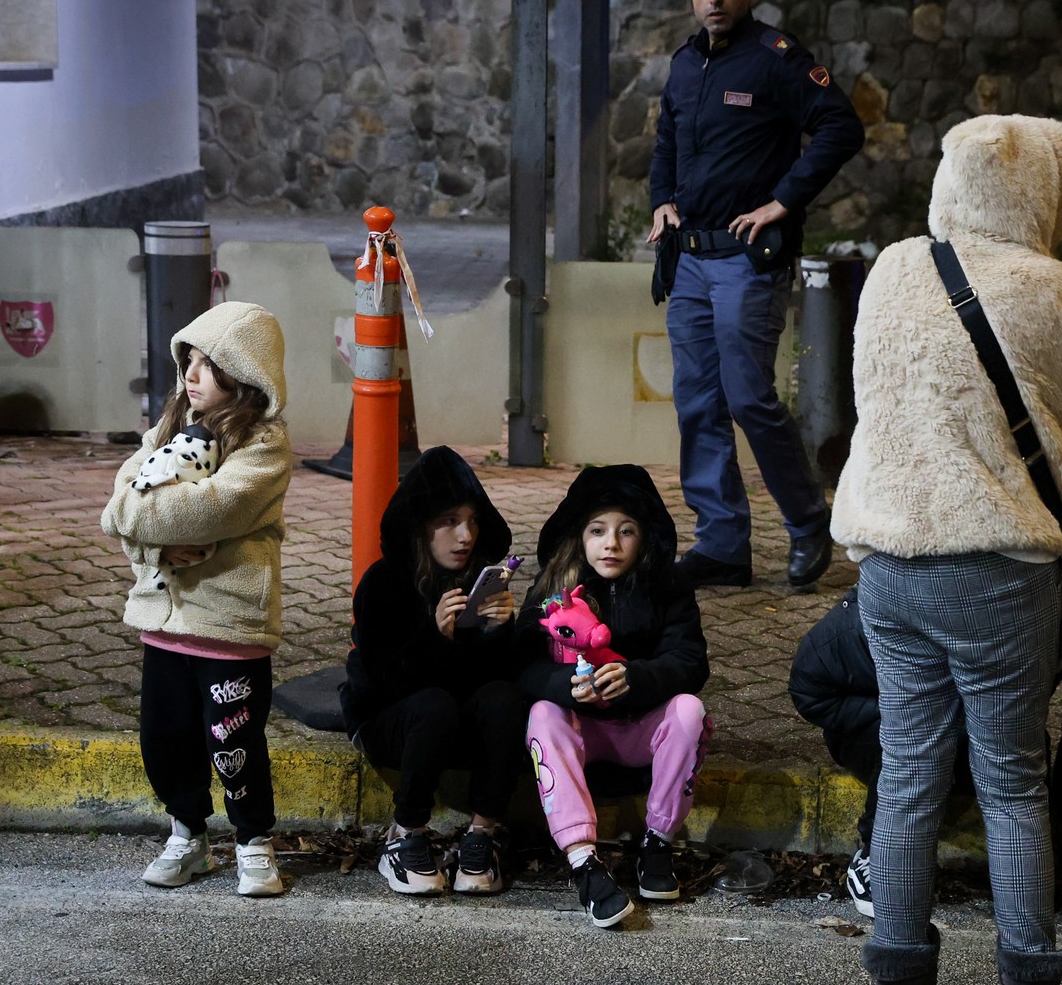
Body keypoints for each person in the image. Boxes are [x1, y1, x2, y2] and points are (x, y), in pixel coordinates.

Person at [831, 114, 1062, 985]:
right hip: (994, 568)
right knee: (1008, 782)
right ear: (1042, 195)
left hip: (889, 563)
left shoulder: (890, 270)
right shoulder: (1041, 287)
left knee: (909, 776)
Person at [646, 0, 865, 590]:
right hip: (689, 259)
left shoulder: (776, 59)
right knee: (697, 402)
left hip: (747, 261)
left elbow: (840, 126)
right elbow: (665, 143)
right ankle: (721, 543)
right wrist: (661, 202)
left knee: (748, 397)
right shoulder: (685, 65)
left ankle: (807, 523)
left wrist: (783, 200)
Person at [101, 301, 293, 898]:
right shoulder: (168, 430)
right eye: (190, 360)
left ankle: (253, 840)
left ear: (246, 375)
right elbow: (121, 505)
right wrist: (154, 549)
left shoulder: (263, 446)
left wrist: (132, 517)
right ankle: (188, 834)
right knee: (165, 738)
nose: (191, 374)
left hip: (229, 628)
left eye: (210, 365)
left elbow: (210, 507)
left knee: (233, 740)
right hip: (164, 623)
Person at [516, 465, 712, 928]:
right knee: (543, 713)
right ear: (579, 537)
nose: (612, 543)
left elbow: (690, 661)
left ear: (644, 538)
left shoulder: (668, 584)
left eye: (627, 532)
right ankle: (584, 862)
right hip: (583, 732)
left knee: (690, 711)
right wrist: (563, 686)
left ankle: (658, 843)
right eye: (598, 531)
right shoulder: (552, 589)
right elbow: (519, 662)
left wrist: (637, 677)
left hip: (640, 729)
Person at [340, 446, 530, 897]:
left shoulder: (479, 577)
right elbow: (381, 683)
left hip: (452, 723)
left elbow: (498, 681)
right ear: (422, 528)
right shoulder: (384, 583)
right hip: (390, 720)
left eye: (471, 520)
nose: (464, 535)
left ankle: (482, 836)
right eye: (448, 522)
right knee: (433, 705)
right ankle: (405, 834)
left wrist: (499, 631)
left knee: (505, 697)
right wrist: (434, 636)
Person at [787, 586, 973, 920]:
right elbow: (808, 691)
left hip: (962, 727)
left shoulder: (998, 617)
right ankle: (876, 854)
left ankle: (1019, 873)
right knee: (909, 735)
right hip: (872, 729)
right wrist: (894, 710)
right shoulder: (854, 626)